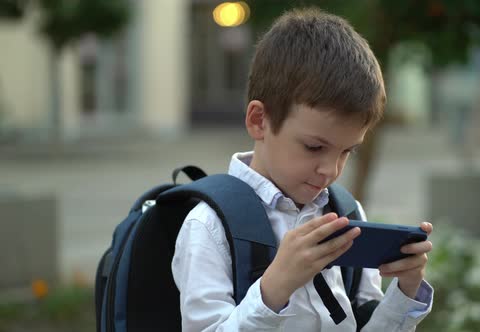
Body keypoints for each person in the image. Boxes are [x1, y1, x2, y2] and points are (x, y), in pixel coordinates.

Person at [172, 8, 434, 331]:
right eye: (314, 147)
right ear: (259, 121)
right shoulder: (209, 227)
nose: (330, 170)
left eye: (347, 152)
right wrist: (274, 289)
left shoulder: (345, 212)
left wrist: (406, 290)